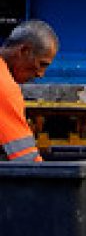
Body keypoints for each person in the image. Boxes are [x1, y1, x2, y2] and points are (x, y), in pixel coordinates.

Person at [0, 19, 58, 162]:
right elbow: (26, 161)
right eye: (42, 64)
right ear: (24, 51)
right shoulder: (4, 86)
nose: (41, 74)